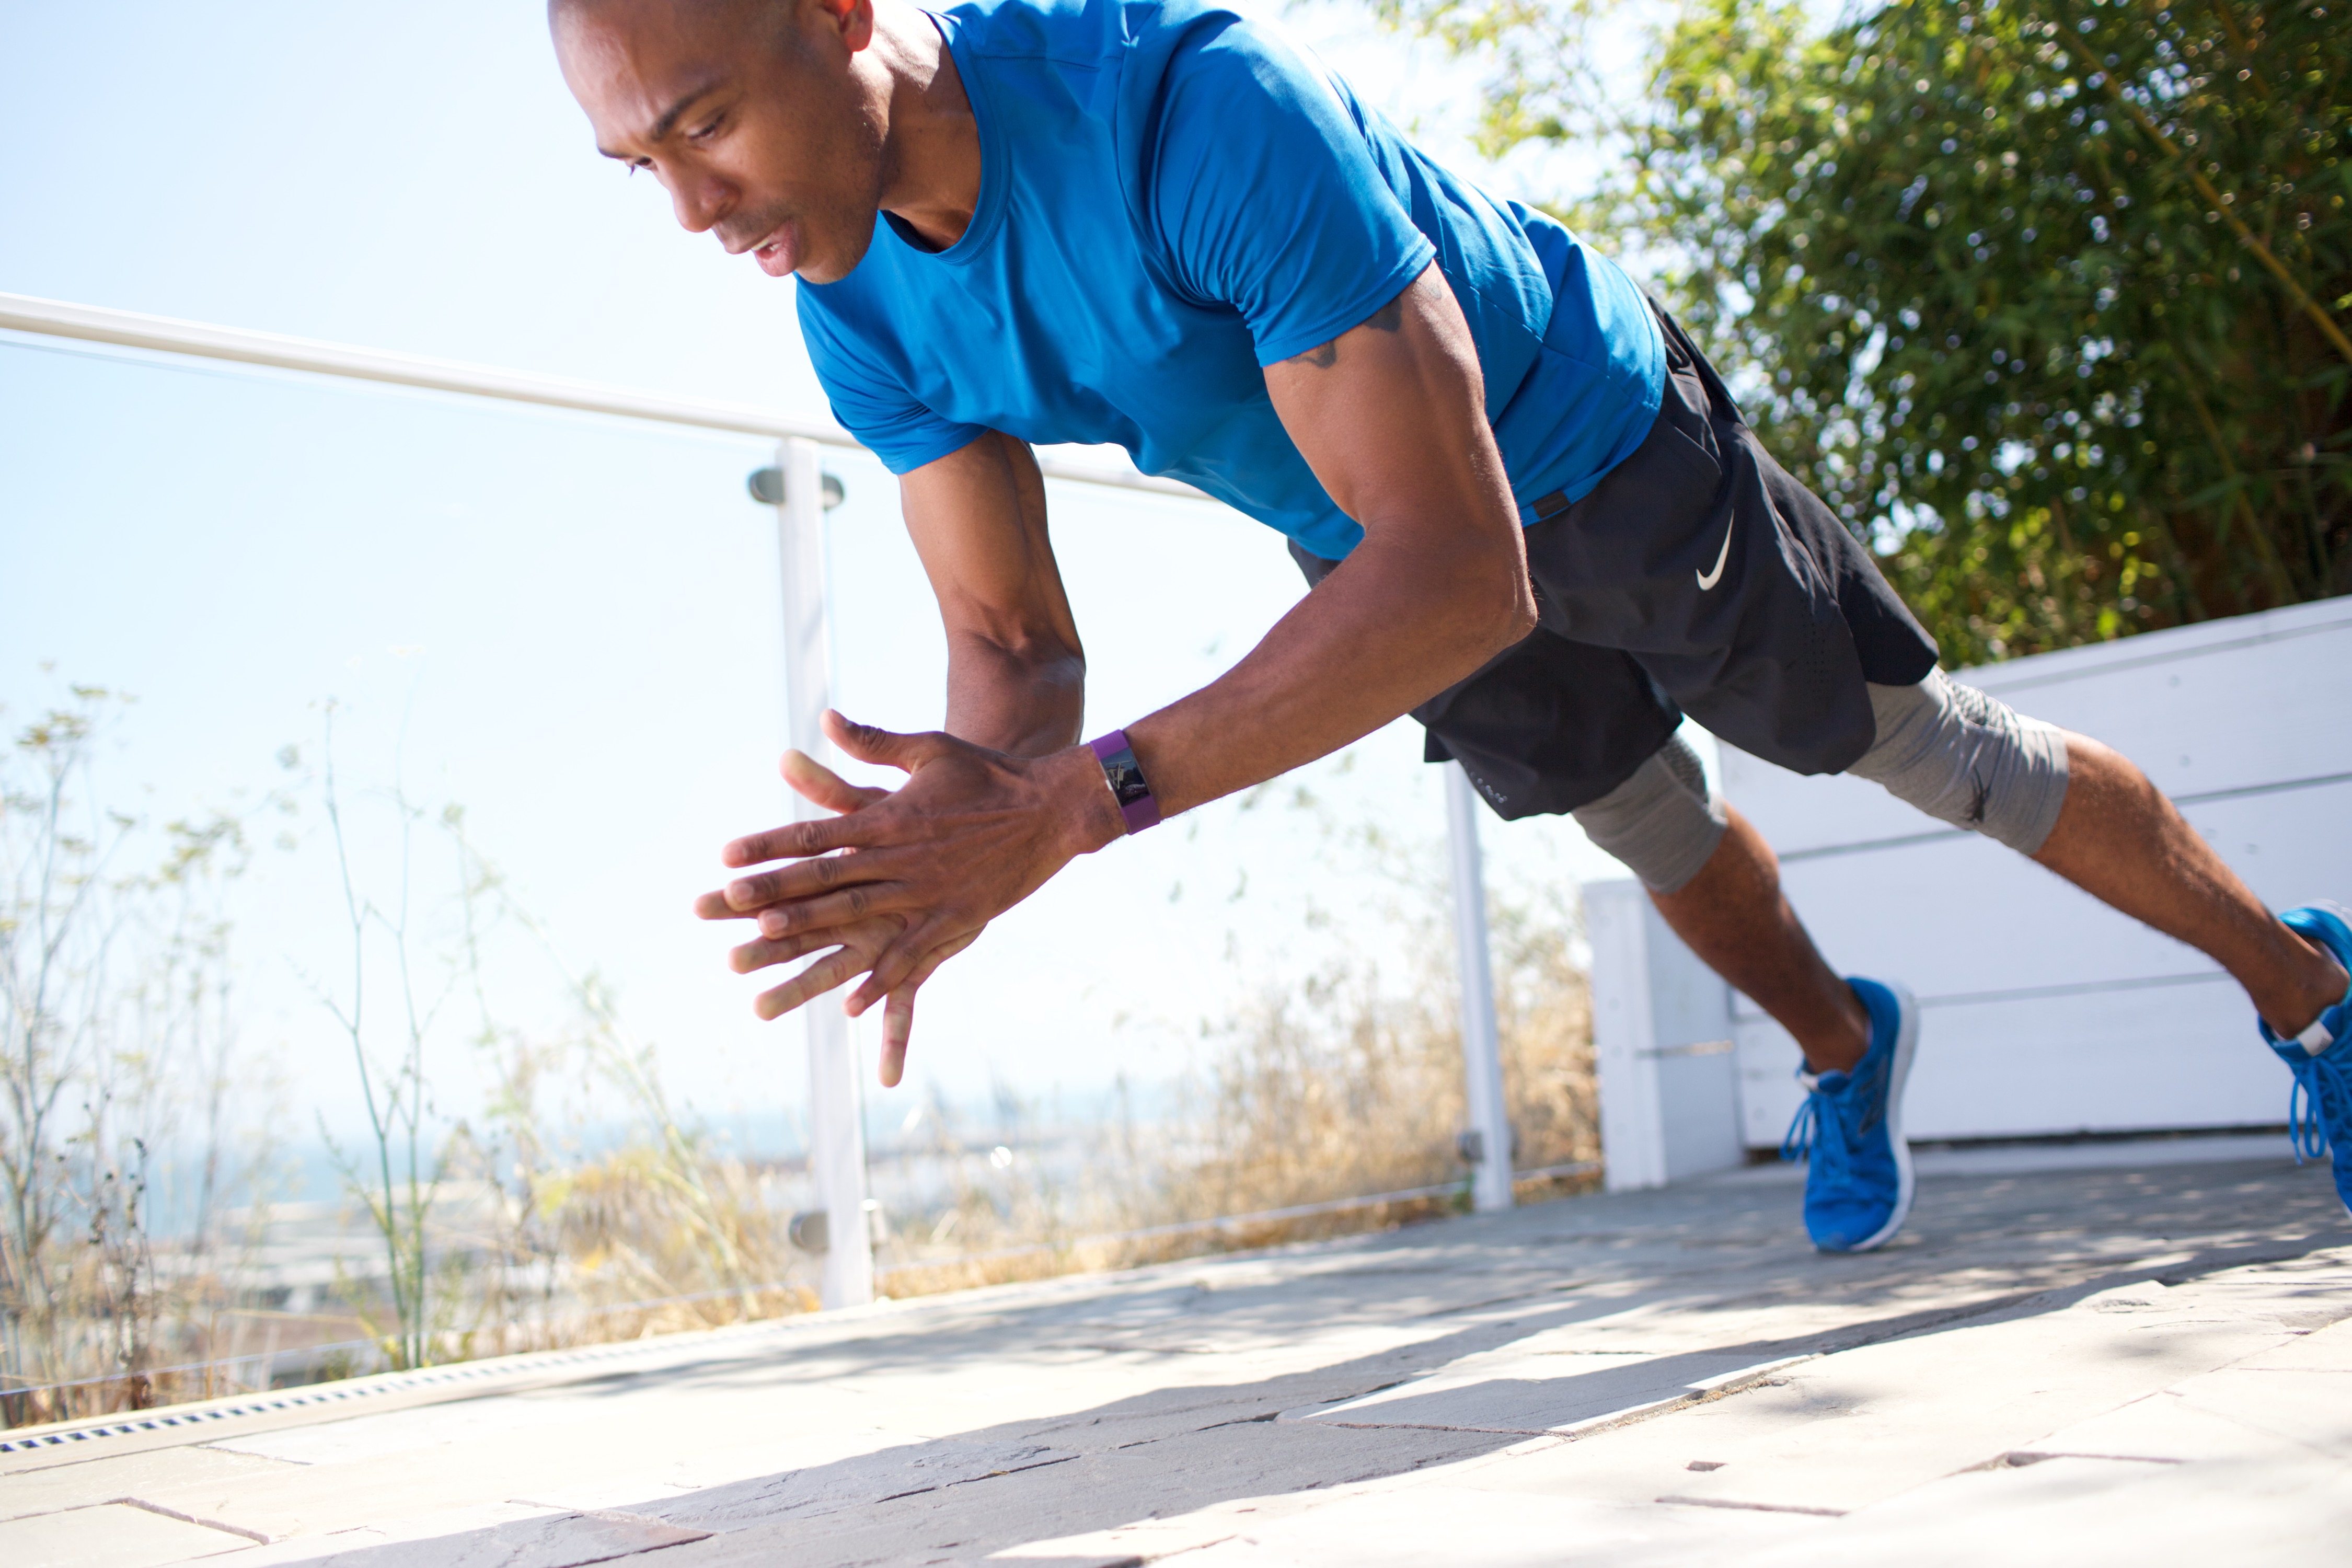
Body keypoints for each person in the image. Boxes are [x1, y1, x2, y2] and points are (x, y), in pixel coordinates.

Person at [550, 0, 2352, 1249]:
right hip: (1364, 535)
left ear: (837, 12)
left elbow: (1461, 570)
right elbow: (1018, 655)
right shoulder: (849, 298)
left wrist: (1076, 802)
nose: (696, 211)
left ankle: (2310, 993)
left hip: (1589, 440)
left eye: (702, 123)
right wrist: (967, 837)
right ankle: (1844, 1049)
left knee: (1914, 749)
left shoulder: (1185, 106)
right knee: (1639, 816)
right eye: (639, 166)